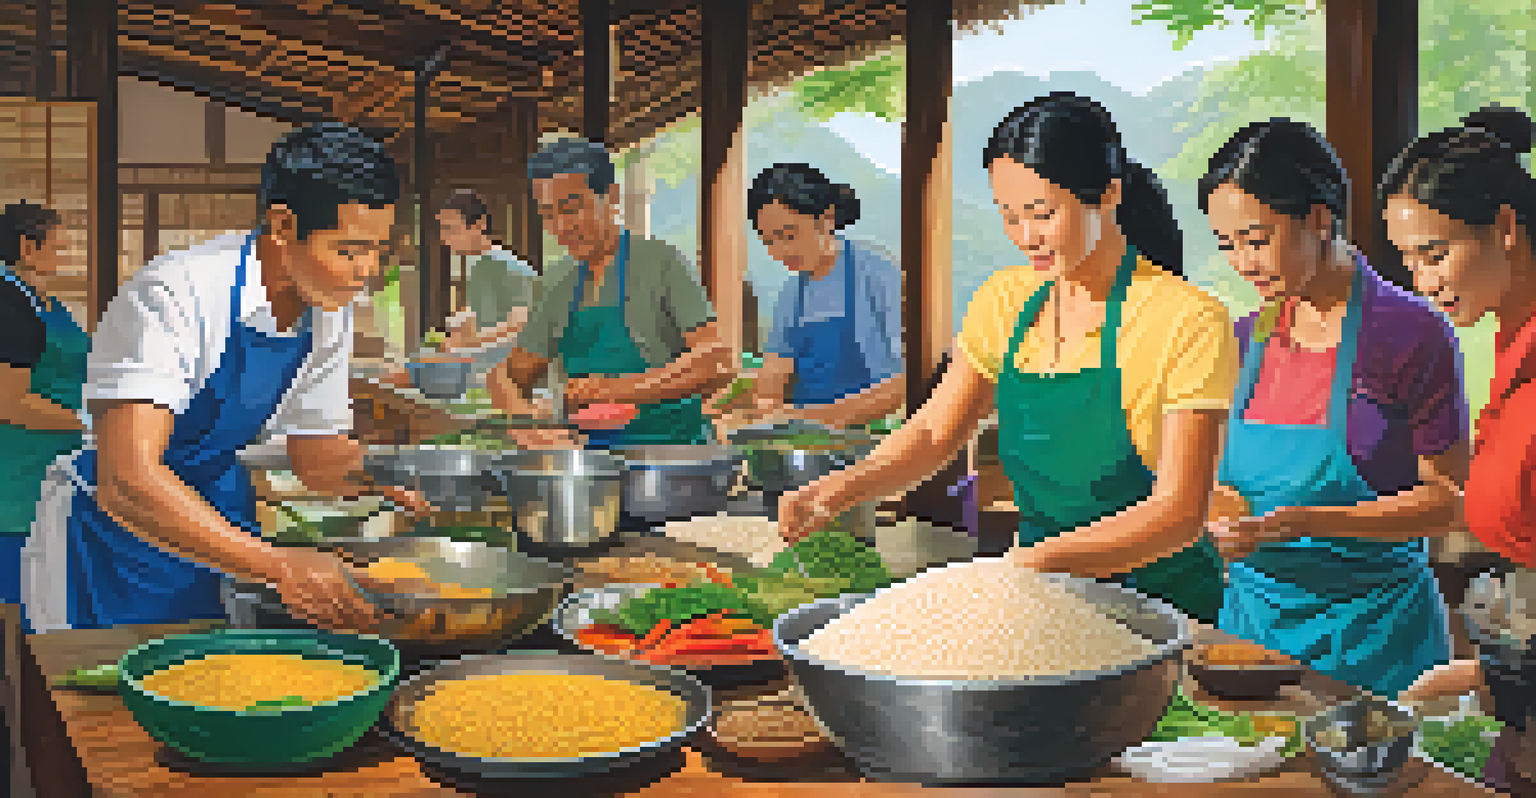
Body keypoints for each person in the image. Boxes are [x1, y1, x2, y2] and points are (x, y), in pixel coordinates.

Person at [778, 92, 1237, 624]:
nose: (1024, 237)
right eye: (1008, 215)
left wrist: (1027, 565)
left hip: (1164, 609)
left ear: (1109, 194)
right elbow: (933, 432)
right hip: (1045, 602)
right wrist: (838, 490)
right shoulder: (1004, 301)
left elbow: (1179, 513)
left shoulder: (1187, 318)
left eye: (1042, 214)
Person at [21, 122, 427, 633]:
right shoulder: (174, 294)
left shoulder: (326, 307)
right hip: (117, 540)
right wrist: (281, 566)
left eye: (377, 251)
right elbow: (126, 480)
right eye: (348, 250)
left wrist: (397, 476)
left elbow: (315, 455)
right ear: (283, 225)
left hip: (223, 519)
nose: (366, 271)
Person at [1197, 119, 1466, 697]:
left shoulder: (1410, 334)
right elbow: (1218, 484)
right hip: (1253, 636)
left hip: (1378, 637)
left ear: (1320, 218)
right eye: (1226, 244)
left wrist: (1304, 522)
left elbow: (1447, 501)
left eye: (1256, 239)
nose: (1242, 262)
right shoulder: (1240, 341)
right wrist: (1221, 514)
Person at [1382, 106, 1536, 790]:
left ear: (1504, 228)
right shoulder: (1509, 342)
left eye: (1435, 254)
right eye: (1408, 260)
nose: (1422, 282)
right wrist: (1486, 674)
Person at [489, 137, 735, 447]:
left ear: (612, 196)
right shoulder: (556, 282)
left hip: (672, 454)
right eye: (548, 215)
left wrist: (612, 389)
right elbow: (505, 375)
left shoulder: (660, 262)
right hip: (589, 460)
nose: (561, 227)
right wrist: (524, 420)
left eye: (572, 209)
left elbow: (716, 361)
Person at [722, 164, 903, 430]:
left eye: (789, 235)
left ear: (827, 219)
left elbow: (908, 382)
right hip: (806, 439)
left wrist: (815, 417)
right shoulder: (791, 295)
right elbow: (774, 380)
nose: (780, 251)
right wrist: (747, 410)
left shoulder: (879, 275)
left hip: (875, 436)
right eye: (769, 241)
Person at [0, 203, 88, 620]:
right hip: (17, 481)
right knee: (18, 602)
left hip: (50, 468)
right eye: (58, 246)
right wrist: (90, 423)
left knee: (44, 598)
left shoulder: (41, 301)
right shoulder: (9, 305)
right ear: (26, 247)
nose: (64, 255)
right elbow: (9, 403)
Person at [435, 189, 540, 351]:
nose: (444, 238)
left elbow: (524, 323)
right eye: (442, 229)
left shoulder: (509, 265)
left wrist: (472, 340)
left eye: (450, 229)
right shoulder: (478, 266)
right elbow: (486, 316)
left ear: (480, 224)